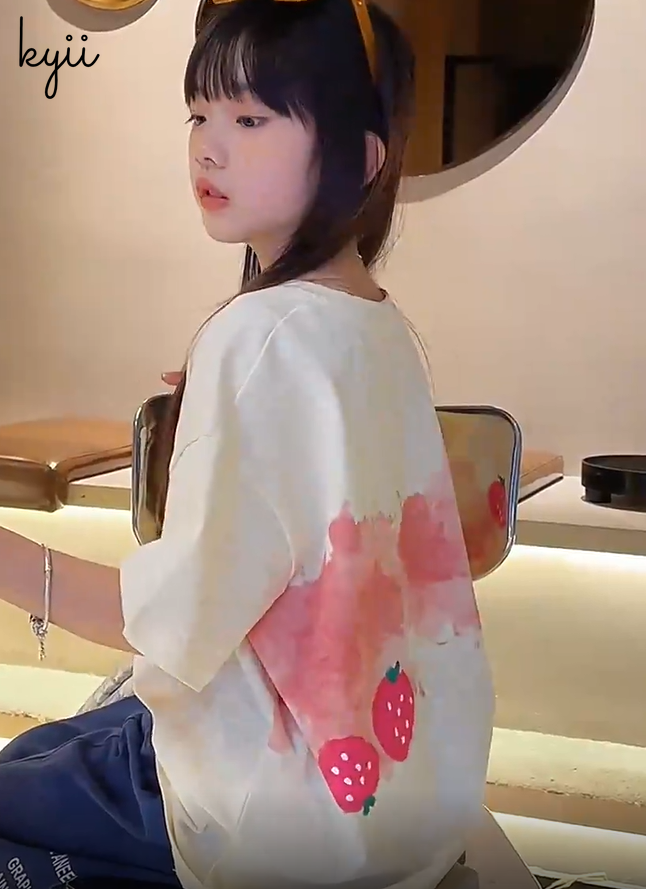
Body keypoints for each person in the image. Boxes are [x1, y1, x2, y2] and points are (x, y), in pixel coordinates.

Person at [0, 1, 494, 888]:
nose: (208, 148)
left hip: (269, 814)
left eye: (252, 119)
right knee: (47, 752)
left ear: (360, 158)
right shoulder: (378, 325)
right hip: (403, 803)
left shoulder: (257, 335)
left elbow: (173, 623)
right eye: (199, 115)